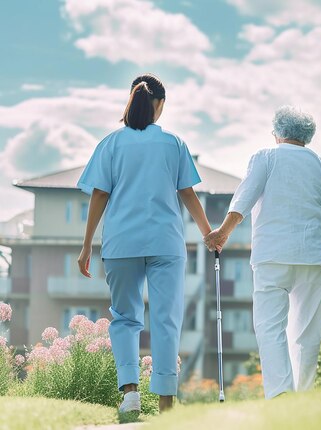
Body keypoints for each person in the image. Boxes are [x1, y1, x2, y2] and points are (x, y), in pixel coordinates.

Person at [77, 73, 213, 414]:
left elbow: (99, 195)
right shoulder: (174, 144)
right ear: (161, 105)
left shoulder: (111, 143)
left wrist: (86, 245)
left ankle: (130, 396)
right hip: (166, 243)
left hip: (121, 243)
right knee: (167, 319)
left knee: (125, 318)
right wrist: (209, 233)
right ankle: (166, 403)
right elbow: (188, 193)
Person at [206, 105, 321, 399]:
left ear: (277, 132)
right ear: (306, 135)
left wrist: (222, 234)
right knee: (307, 335)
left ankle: (282, 394)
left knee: (270, 327)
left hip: (272, 256)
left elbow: (243, 199)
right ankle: (303, 397)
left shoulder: (266, 157)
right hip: (313, 260)